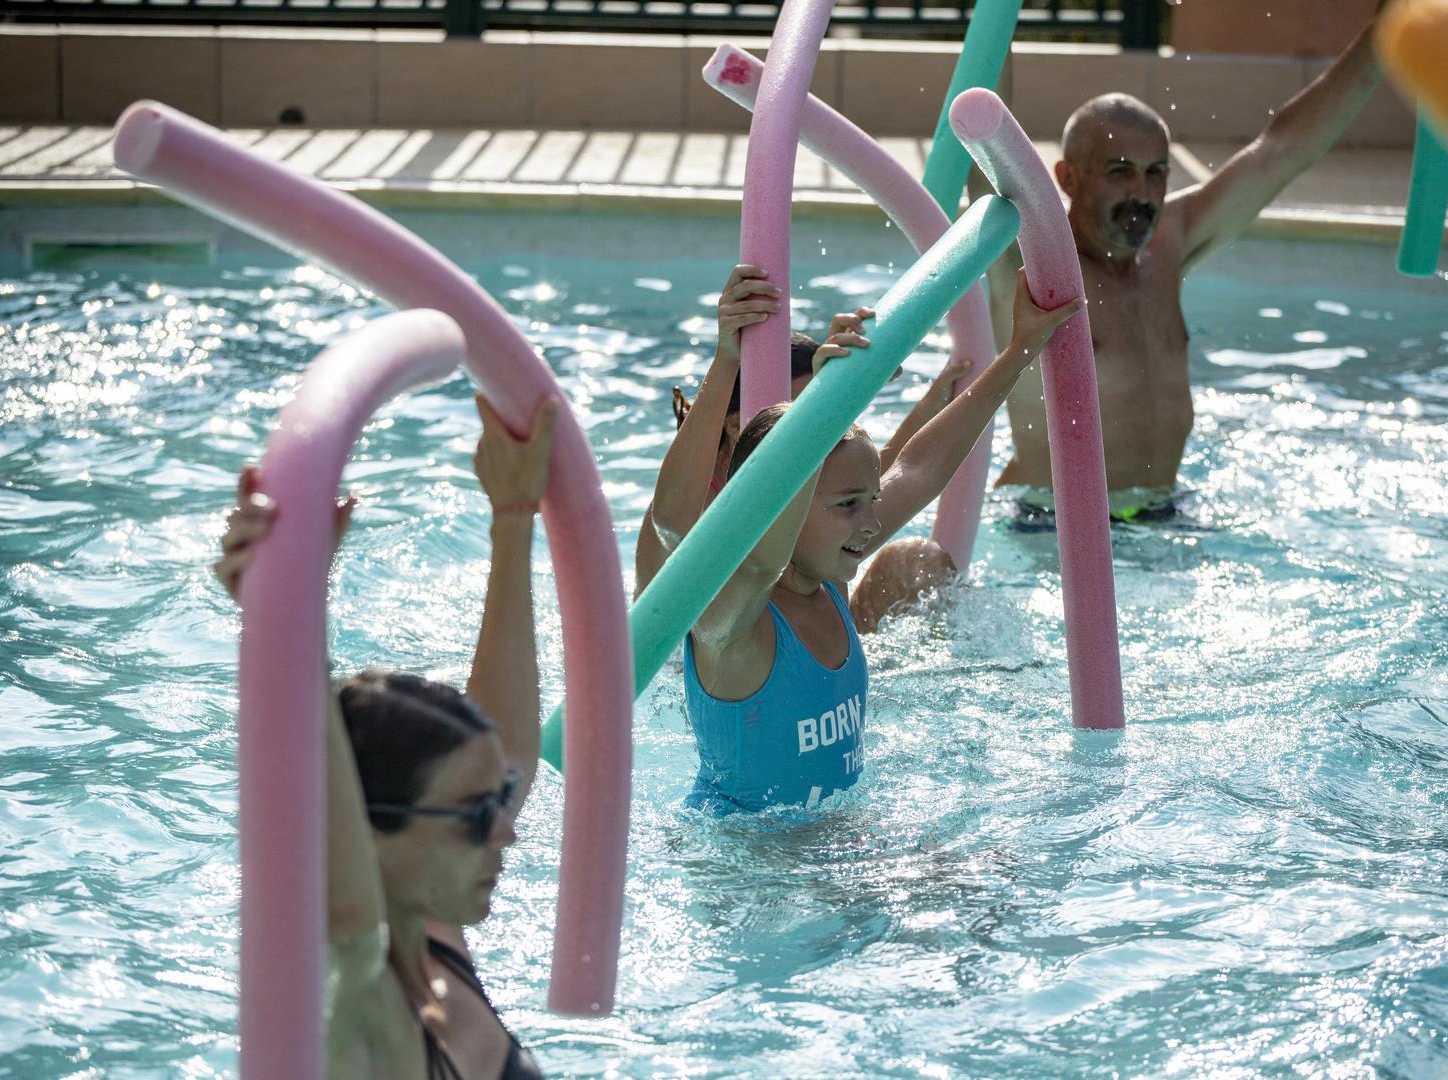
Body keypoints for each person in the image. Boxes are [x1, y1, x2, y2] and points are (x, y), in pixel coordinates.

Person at [213, 394, 557, 1080]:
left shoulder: (430, 936)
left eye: (494, 804)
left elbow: (510, 754)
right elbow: (343, 901)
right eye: (474, 816)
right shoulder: (356, 1007)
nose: (506, 832)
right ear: (361, 831)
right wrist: (286, 614)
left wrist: (514, 515)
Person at [681, 271, 1083, 813]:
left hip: (827, 852)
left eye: (869, 499)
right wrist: (822, 413)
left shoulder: (824, 580)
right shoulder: (729, 620)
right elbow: (754, 552)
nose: (871, 522)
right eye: (848, 504)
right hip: (751, 872)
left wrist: (1020, 349)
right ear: (785, 502)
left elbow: (918, 470)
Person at [979, 9, 1389, 521]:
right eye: (1120, 172)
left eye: (1156, 173)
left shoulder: (1167, 245)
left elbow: (1282, 149)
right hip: (1056, 532)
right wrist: (994, 20)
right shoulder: (1035, 267)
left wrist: (1385, 37)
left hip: (1164, 515)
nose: (1142, 194)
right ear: (1067, 177)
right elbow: (988, 168)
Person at [637, 264, 976, 632]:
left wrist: (859, 382)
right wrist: (726, 358)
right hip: (726, 674)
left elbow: (874, 482)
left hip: (811, 659)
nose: (823, 429)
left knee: (917, 561)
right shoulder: (687, 510)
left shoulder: (812, 494)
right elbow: (673, 522)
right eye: (809, 413)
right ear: (736, 425)